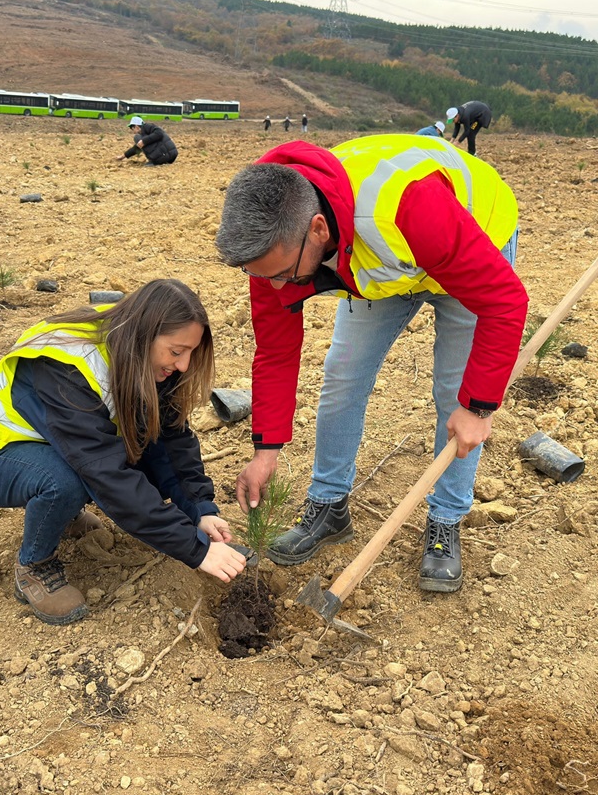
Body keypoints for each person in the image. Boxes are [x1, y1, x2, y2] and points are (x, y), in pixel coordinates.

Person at [214, 135, 528, 594]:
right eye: (264, 276)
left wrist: (479, 408)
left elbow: (504, 301)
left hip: (469, 239)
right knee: (343, 375)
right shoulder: (271, 243)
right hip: (387, 266)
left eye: (283, 274)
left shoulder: (403, 206)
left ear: (318, 229)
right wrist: (267, 450)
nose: (278, 288)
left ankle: (445, 521)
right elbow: (276, 352)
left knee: (454, 395)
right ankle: (328, 506)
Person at [0, 279, 247, 626]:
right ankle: (34, 565)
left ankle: (62, 513)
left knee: (132, 454)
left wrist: (199, 509)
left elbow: (170, 441)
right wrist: (195, 549)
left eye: (190, 352)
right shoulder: (68, 365)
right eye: (177, 352)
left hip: (48, 439)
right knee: (68, 481)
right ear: (145, 333)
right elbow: (105, 473)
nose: (185, 365)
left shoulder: (139, 350)